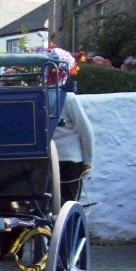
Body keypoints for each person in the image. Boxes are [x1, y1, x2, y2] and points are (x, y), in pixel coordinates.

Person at [47, 49, 95, 203]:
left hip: (45, 159)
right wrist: (88, 161)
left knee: (48, 202)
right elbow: (85, 131)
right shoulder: (68, 98)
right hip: (70, 159)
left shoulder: (37, 96)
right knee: (69, 202)